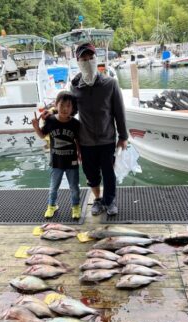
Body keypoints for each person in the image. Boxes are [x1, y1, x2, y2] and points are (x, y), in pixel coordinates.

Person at [70, 42, 128, 216]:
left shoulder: (110, 84)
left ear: (97, 59)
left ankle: (109, 201)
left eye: (91, 58)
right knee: (91, 174)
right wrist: (51, 114)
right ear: (78, 62)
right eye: (83, 59)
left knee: (109, 172)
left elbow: (119, 111)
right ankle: (97, 199)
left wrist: (123, 136)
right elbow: (70, 111)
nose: (88, 62)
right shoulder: (74, 87)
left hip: (107, 139)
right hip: (85, 140)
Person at [32, 91, 81, 219]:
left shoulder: (76, 124)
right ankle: (51, 206)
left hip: (72, 162)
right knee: (53, 187)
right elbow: (43, 135)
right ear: (56, 105)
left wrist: (80, 154)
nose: (65, 109)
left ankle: (75, 206)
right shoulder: (50, 121)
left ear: (72, 108)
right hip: (56, 162)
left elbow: (78, 141)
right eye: (62, 105)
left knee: (74, 187)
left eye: (68, 106)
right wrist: (36, 127)